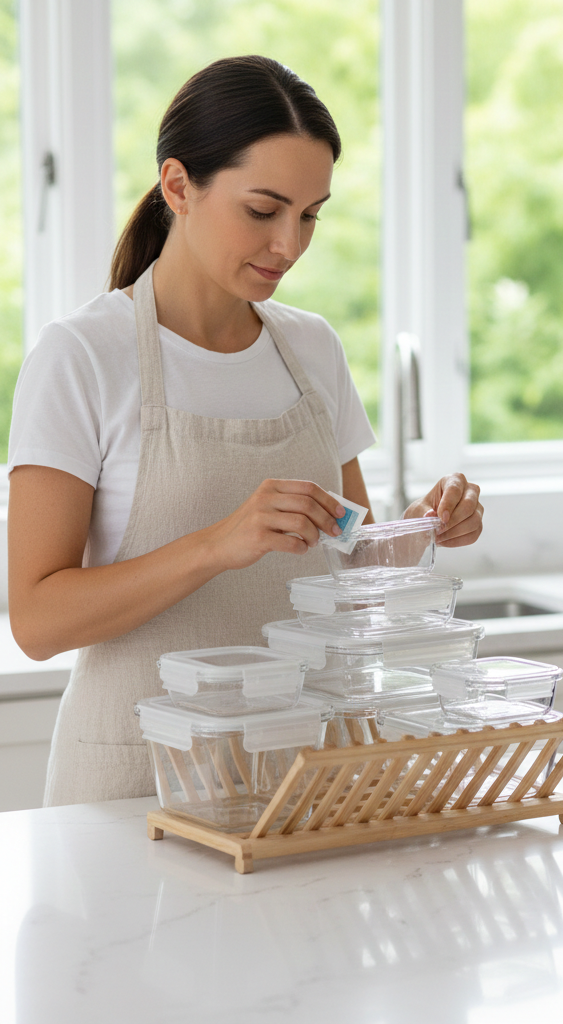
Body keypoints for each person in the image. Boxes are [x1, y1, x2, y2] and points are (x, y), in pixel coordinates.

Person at [6, 55, 483, 807]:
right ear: (178, 186)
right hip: (138, 784)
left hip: (307, 776)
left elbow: (349, 560)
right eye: (264, 211)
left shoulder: (311, 349)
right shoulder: (83, 356)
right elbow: (36, 619)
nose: (289, 246)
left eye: (310, 214)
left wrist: (422, 529)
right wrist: (217, 545)